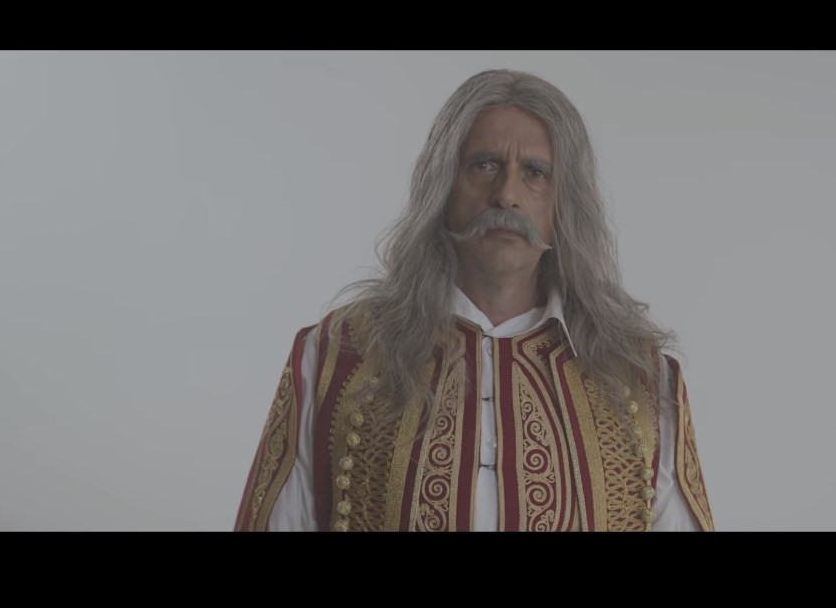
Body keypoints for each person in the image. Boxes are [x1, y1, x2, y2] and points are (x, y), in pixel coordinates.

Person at [234, 69, 714, 532]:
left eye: (535, 173)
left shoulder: (641, 381)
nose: (506, 195)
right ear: (443, 186)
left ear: (565, 203)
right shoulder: (334, 358)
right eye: (484, 165)